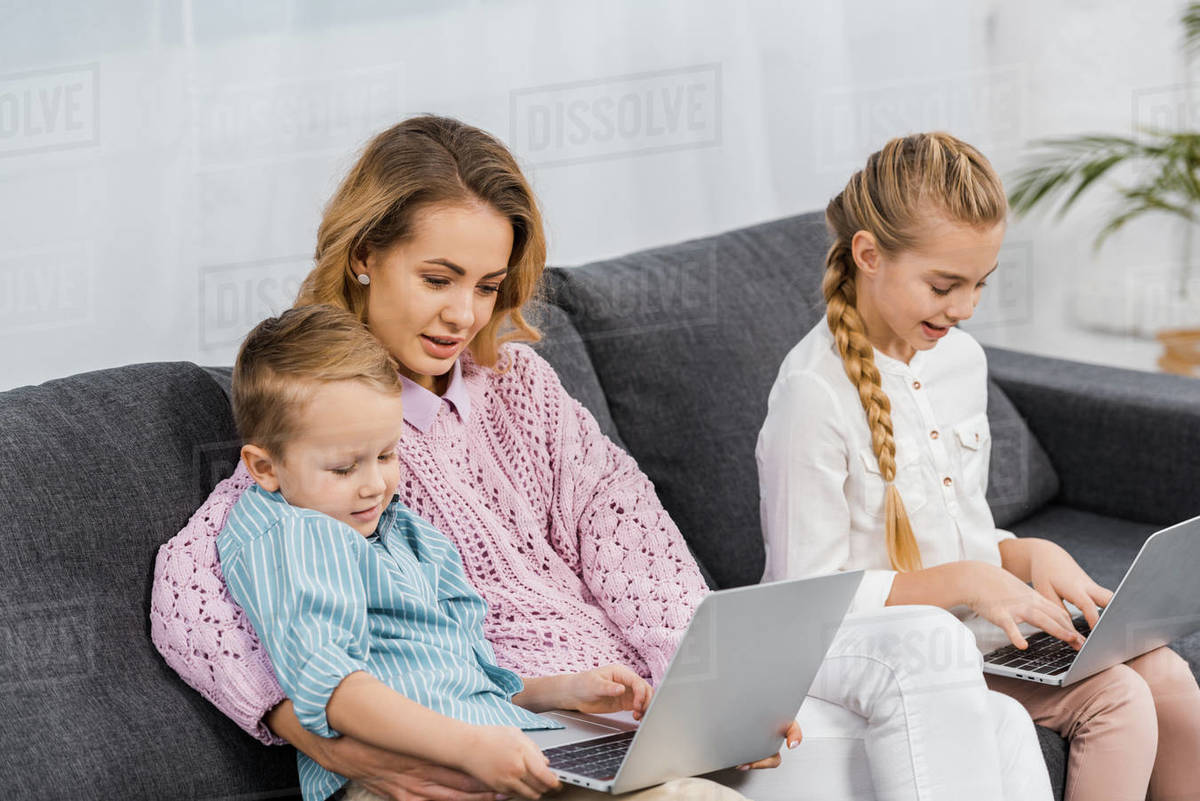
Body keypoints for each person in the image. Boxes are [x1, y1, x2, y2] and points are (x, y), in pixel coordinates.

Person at [151, 115, 1050, 801]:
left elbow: (630, 538)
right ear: (362, 259)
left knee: (1000, 726)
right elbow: (192, 585)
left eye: (487, 285)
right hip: (535, 735)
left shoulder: (521, 387)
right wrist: (318, 734)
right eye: (437, 279)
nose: (462, 314)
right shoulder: (331, 427)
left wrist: (701, 697)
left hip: (637, 709)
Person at [756, 131, 1200, 801]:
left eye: (980, 285)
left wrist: (1024, 554)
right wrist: (965, 580)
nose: (964, 308)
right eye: (944, 285)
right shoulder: (812, 394)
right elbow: (807, 596)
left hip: (976, 632)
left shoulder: (962, 361)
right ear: (869, 255)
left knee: (1165, 675)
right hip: (884, 650)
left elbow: (956, 527)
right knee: (1120, 701)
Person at [219, 304, 747, 801]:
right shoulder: (292, 534)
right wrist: (471, 746)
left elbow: (466, 678)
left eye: (386, 455)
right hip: (410, 779)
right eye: (343, 468)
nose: (373, 485)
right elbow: (332, 688)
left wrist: (560, 692)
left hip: (496, 747)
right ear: (263, 468)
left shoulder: (404, 532)